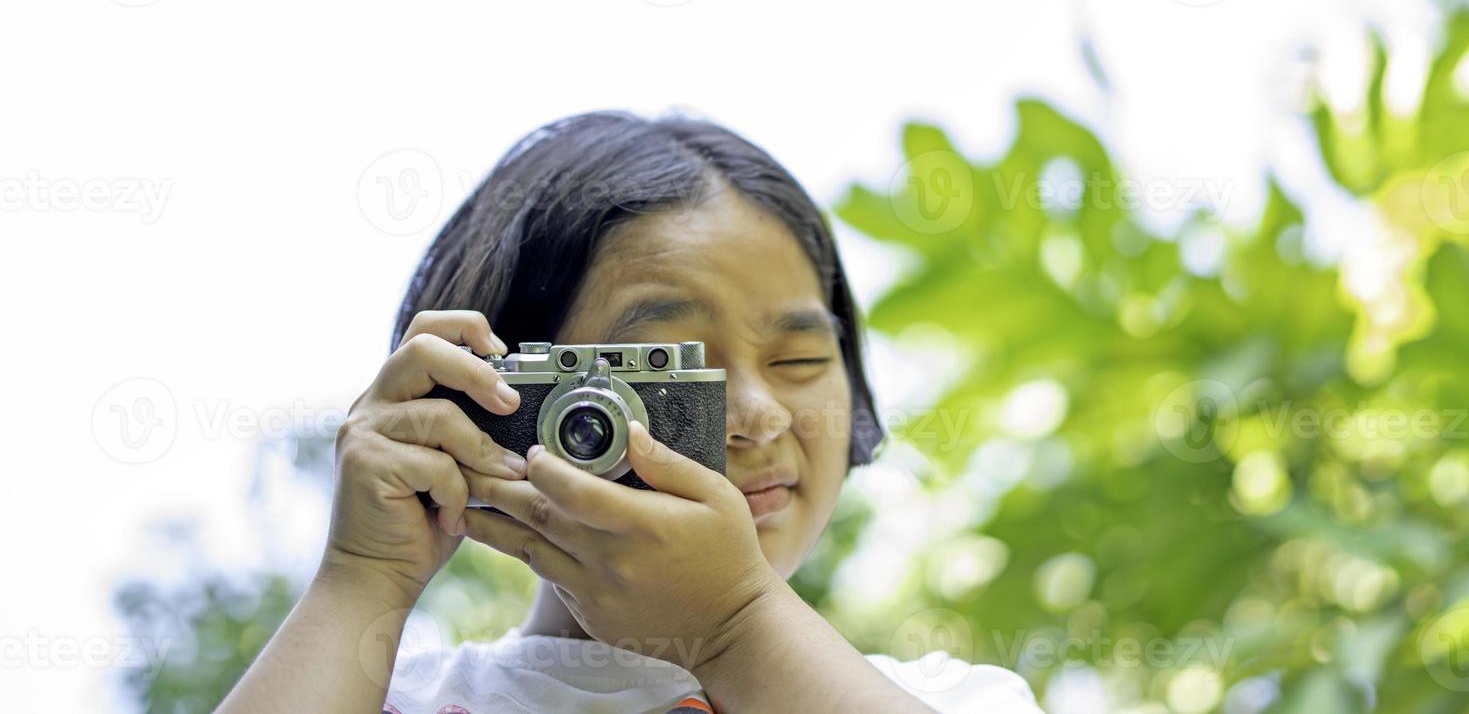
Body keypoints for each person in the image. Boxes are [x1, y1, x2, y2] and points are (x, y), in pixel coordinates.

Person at [218, 111, 1043, 713]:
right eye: (673, 369)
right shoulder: (382, 700)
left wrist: (734, 626)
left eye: (797, 361)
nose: (756, 415)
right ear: (495, 401)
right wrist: (360, 582)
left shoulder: (957, 696)